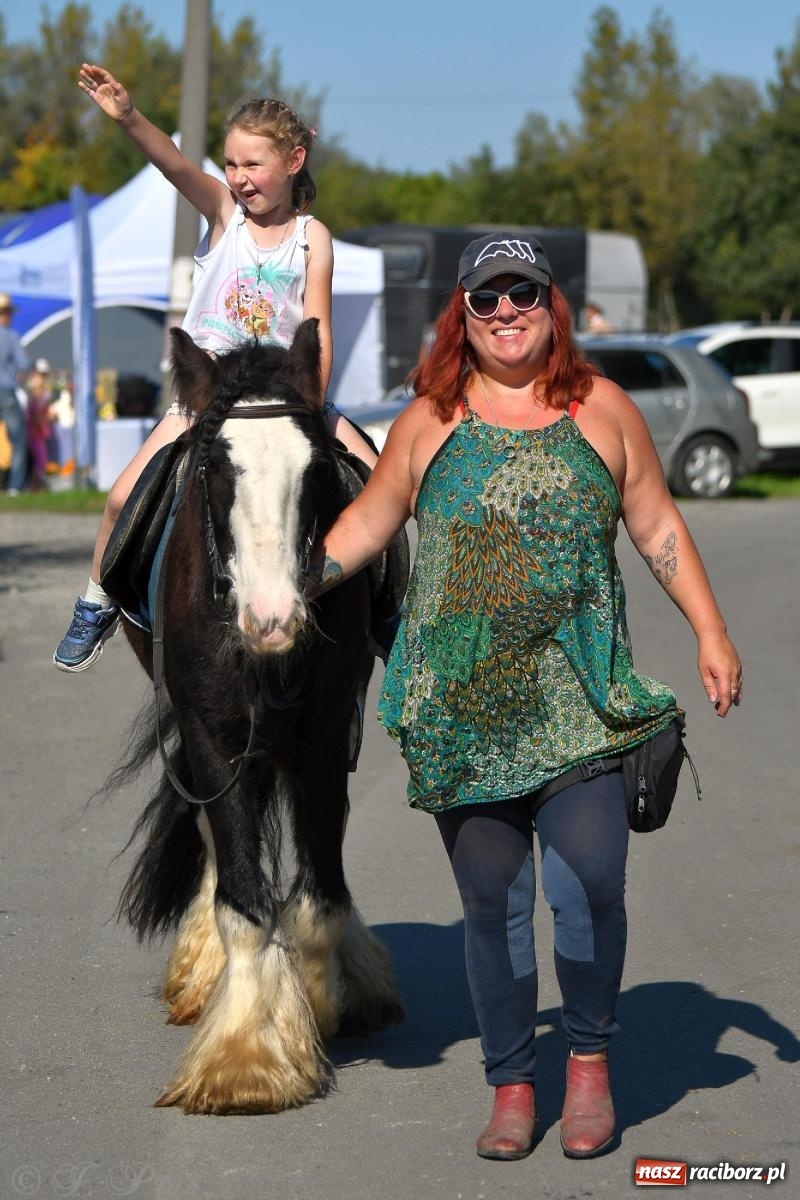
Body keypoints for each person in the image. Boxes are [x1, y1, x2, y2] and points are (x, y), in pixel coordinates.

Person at [306, 233, 743, 1162]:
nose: (506, 312)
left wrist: (709, 629)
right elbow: (373, 518)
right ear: (461, 316)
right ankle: (511, 1082)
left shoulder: (604, 410)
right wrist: (292, 585)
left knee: (590, 888)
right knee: (493, 906)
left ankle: (587, 1067)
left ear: (553, 305)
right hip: (463, 713)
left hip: (584, 701)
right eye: (486, 298)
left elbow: (656, 522)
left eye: (523, 294)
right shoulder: (427, 421)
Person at [53, 62, 378, 672]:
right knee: (121, 497)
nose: (239, 177)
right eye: (230, 164)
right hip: (207, 397)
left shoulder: (313, 238)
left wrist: (311, 402)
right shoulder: (225, 215)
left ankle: (387, 615)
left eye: (253, 164)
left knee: (377, 481)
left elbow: (318, 326)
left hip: (286, 395)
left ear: (295, 161)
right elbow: (175, 166)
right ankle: (96, 600)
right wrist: (129, 117)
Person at [0, 292, 30, 495]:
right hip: (6, 391)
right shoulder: (10, 337)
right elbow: (24, 364)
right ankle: (15, 486)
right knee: (18, 439)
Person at [25, 357, 55, 490]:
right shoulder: (35, 390)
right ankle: (35, 486)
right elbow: (37, 414)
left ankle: (36, 485)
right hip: (35, 432)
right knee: (40, 460)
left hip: (40, 432)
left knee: (41, 459)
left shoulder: (41, 390)